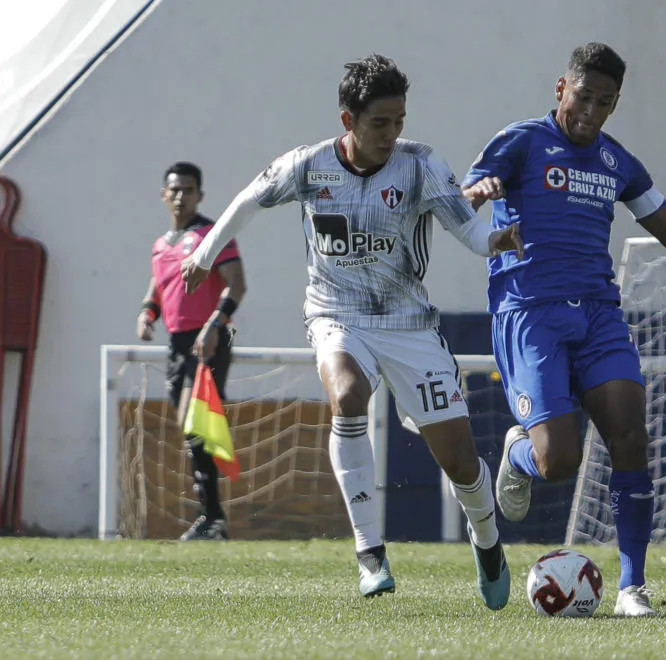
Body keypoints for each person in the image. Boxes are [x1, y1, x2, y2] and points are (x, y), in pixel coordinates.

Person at [179, 54, 520, 609]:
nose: (392, 134)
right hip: (336, 314)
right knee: (346, 395)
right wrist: (204, 252)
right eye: (380, 123)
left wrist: (500, 240)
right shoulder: (308, 166)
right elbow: (247, 200)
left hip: (409, 325)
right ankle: (370, 554)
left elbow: (473, 236)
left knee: (459, 462)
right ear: (348, 121)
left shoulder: (420, 165)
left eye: (399, 121)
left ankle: (487, 542)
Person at [462, 42, 666, 616]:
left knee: (631, 434)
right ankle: (518, 456)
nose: (590, 112)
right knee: (560, 461)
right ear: (562, 89)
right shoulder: (523, 141)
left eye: (605, 103)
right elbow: (472, 188)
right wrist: (482, 191)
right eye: (583, 97)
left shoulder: (617, 163)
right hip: (530, 312)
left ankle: (633, 588)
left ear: (615, 105)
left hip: (599, 315)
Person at [137, 161, 247, 541]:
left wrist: (214, 325)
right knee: (192, 428)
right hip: (178, 343)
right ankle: (212, 518)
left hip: (210, 338)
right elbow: (159, 286)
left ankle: (212, 517)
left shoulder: (212, 235)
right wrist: (147, 312)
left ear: (200, 194)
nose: (181, 195)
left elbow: (237, 285)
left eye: (188, 189)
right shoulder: (161, 244)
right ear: (164, 194)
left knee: (193, 420)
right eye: (175, 189)